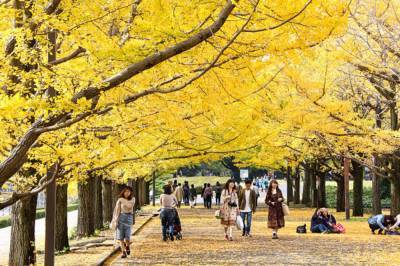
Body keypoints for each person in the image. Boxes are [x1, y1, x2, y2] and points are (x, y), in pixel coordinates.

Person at [111, 186, 135, 258]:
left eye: (128, 191)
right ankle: (123, 252)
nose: (127, 193)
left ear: (130, 192)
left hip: (129, 218)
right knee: (120, 237)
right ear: (123, 192)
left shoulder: (133, 199)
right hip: (121, 218)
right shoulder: (120, 200)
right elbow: (117, 210)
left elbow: (129, 206)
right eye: (125, 191)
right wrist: (115, 220)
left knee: (127, 237)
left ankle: (127, 246)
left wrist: (121, 199)